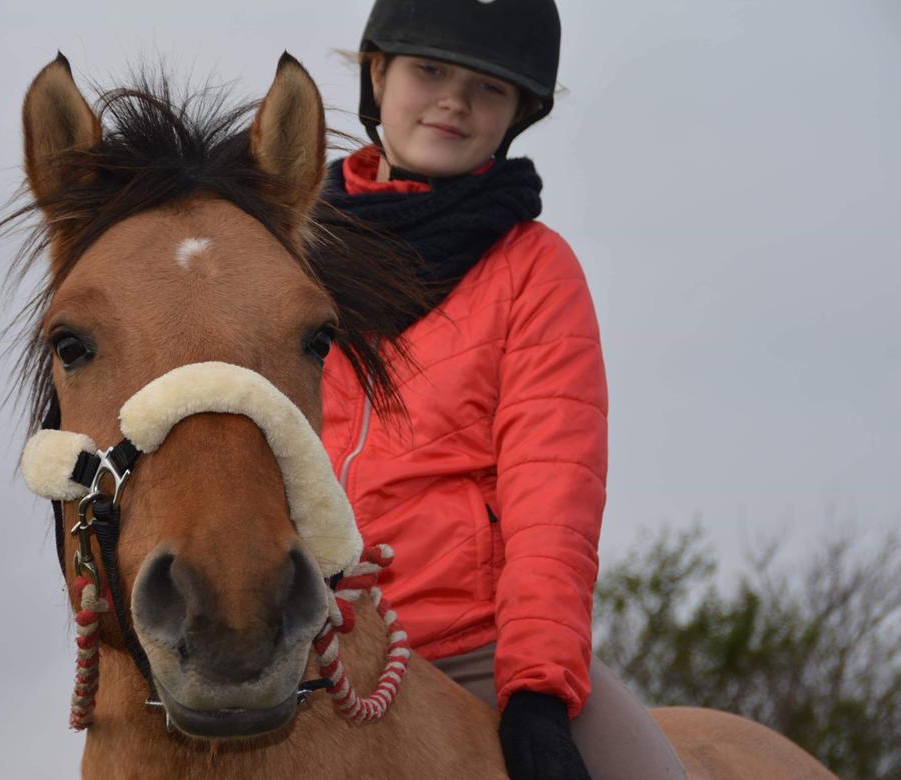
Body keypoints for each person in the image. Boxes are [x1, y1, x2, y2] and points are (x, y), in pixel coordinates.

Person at [320, 1, 687, 778]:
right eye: (430, 71)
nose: (454, 100)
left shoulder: (536, 271)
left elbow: (553, 491)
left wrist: (537, 692)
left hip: (466, 648)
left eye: (488, 88)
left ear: (519, 112)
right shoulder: (284, 250)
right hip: (292, 633)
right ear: (378, 72)